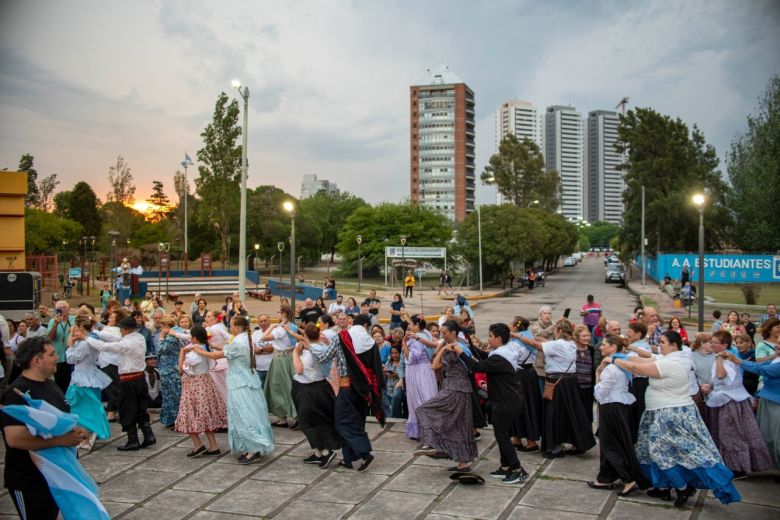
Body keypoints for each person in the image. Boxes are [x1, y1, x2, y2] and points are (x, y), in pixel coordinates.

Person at [605, 331, 740, 507]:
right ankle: (665, 486)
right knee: (664, 452)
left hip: (668, 414)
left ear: (673, 345)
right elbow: (644, 360)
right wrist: (621, 355)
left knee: (662, 453)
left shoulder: (672, 363)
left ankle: (682, 487)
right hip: (662, 411)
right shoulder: (676, 357)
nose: (659, 345)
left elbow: (638, 368)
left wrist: (614, 360)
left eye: (662, 342)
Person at [1, 336, 90, 519]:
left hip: (55, 475)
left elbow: (58, 419)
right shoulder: (17, 393)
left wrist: (76, 431)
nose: (57, 357)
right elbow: (15, 438)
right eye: (52, 354)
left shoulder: (50, 384)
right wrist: (61, 440)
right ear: (36, 360)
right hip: (29, 479)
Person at [190, 316, 275, 464]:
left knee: (244, 415)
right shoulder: (245, 339)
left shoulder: (238, 342)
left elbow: (219, 355)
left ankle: (254, 448)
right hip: (248, 380)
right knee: (252, 413)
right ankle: (251, 447)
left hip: (240, 384)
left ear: (236, 327)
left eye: (231, 325)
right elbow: (228, 350)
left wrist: (200, 351)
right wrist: (215, 345)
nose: (230, 328)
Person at [455, 323, 530, 485]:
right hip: (508, 400)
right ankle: (504, 466)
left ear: (498, 338)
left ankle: (517, 470)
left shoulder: (499, 357)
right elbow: (484, 355)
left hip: (506, 402)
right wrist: (468, 345)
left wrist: (461, 353)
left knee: (502, 436)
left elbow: (478, 366)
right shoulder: (504, 351)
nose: (487, 338)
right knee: (501, 434)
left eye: (490, 336)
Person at [310, 314, 385, 471]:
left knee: (341, 422)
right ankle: (348, 459)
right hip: (363, 390)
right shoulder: (369, 342)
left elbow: (324, 357)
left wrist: (309, 345)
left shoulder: (342, 337)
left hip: (347, 387)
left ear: (352, 323)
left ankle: (364, 453)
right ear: (365, 326)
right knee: (355, 421)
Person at [518, 319, 595, 458]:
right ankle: (577, 443)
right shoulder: (571, 344)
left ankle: (554, 447)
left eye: (555, 330)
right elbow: (545, 342)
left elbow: (537, 345)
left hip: (557, 382)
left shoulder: (558, 345)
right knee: (571, 413)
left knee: (554, 414)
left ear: (559, 331)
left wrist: (519, 336)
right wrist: (533, 336)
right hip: (570, 382)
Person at [701, 330, 772, 478]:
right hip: (726, 399)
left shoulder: (726, 359)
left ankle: (738, 467)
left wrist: (719, 359)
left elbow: (722, 375)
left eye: (715, 342)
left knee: (731, 434)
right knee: (731, 434)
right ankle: (734, 465)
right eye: (711, 341)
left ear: (724, 345)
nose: (712, 344)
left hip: (731, 402)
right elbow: (719, 380)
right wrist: (710, 386)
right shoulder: (722, 357)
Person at [412, 320, 476, 473]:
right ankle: (463, 463)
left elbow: (469, 365)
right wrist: (443, 346)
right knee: (457, 426)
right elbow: (435, 363)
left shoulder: (460, 346)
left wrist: (447, 348)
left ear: (453, 333)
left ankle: (430, 444)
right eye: (441, 333)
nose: (442, 335)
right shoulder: (448, 345)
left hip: (458, 388)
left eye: (444, 333)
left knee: (424, 410)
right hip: (452, 387)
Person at [588, 334, 649, 496]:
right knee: (616, 443)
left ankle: (628, 479)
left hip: (610, 408)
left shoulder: (611, 368)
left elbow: (600, 394)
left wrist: (597, 373)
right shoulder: (623, 364)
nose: (601, 347)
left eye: (604, 345)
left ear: (613, 348)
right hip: (620, 407)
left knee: (608, 445)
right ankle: (605, 477)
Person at [86, 316, 155, 451]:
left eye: (121, 328)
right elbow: (116, 339)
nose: (120, 331)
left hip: (128, 380)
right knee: (141, 408)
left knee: (127, 409)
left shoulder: (127, 343)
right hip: (140, 378)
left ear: (125, 329)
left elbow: (106, 346)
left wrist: (87, 338)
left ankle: (133, 440)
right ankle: (148, 435)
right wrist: (96, 332)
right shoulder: (139, 337)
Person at [719, 343, 780, 469]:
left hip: (776, 402)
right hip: (768, 399)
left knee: (777, 438)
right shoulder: (776, 358)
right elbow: (759, 365)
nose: (776, 346)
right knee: (768, 436)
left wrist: (737, 360)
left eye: (779, 344)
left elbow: (762, 370)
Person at [292, 324, 341, 468]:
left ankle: (325, 452)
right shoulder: (322, 348)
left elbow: (300, 370)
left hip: (308, 390)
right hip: (321, 387)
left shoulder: (309, 351)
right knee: (317, 422)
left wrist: (295, 353)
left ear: (306, 335)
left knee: (306, 423)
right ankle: (318, 454)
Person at [175, 325, 227, 457]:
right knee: (206, 414)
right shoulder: (205, 348)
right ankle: (213, 445)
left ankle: (198, 445)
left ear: (194, 338)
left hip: (194, 385)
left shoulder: (194, 354)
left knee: (190, 414)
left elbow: (181, 370)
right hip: (205, 382)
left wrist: (182, 352)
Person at [65, 315, 112, 450]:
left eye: (75, 327)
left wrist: (70, 344)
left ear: (80, 327)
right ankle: (86, 436)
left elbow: (72, 359)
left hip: (84, 378)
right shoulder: (90, 339)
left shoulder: (85, 343)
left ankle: (86, 437)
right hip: (88, 376)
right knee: (87, 407)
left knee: (83, 409)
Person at [261, 305, 300, 427]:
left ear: (284, 314)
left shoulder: (281, 328)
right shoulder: (290, 326)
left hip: (281, 359)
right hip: (287, 358)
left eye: (279, 312)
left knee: (281, 387)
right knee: (283, 386)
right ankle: (283, 416)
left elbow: (264, 337)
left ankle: (293, 415)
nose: (277, 313)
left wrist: (272, 326)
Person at [402, 316, 438, 440]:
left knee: (419, 399)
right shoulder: (426, 333)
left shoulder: (416, 339)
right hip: (426, 370)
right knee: (427, 396)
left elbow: (411, 358)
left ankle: (423, 430)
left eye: (411, 324)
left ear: (417, 325)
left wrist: (404, 344)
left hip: (417, 372)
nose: (409, 326)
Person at [509, 316, 542, 451]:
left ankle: (530, 441)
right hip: (530, 374)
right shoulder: (528, 337)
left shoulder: (517, 342)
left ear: (516, 326)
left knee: (524, 406)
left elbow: (513, 357)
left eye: (510, 323)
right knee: (527, 405)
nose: (509, 325)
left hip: (521, 376)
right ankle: (516, 437)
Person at [157, 316, 183, 428]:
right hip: (167, 369)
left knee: (174, 395)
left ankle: (178, 420)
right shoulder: (174, 334)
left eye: (162, 326)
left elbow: (161, 350)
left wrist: (161, 337)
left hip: (170, 370)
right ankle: (170, 420)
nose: (161, 329)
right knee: (169, 395)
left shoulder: (171, 337)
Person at [46, 300, 75, 393]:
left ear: (69, 309)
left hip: (72, 356)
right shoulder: (52, 321)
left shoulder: (74, 319)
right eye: (59, 308)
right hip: (59, 356)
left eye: (64, 308)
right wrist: (55, 324)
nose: (62, 310)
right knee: (59, 382)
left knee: (71, 382)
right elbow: (49, 338)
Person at [573, 325, 595, 424]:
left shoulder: (591, 349)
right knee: (575, 413)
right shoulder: (572, 349)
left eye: (588, 335)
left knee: (587, 413)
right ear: (577, 337)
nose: (587, 338)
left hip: (588, 387)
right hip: (574, 387)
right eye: (584, 336)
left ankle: (587, 436)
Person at [251, 313, 274, 387]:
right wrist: (265, 349)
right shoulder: (255, 334)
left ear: (269, 321)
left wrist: (260, 349)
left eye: (265, 321)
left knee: (270, 390)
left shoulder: (274, 333)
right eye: (261, 321)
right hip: (258, 368)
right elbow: (254, 350)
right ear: (258, 323)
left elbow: (271, 349)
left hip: (270, 367)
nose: (263, 323)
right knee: (259, 390)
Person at [383, 346, 405, 418]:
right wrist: (385, 372)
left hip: (399, 385)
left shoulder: (403, 362)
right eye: (392, 353)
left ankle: (394, 418)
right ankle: (393, 417)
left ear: (400, 353)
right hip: (389, 385)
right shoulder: (389, 362)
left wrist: (397, 375)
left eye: (396, 353)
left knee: (396, 397)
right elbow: (385, 370)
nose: (394, 355)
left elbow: (405, 374)